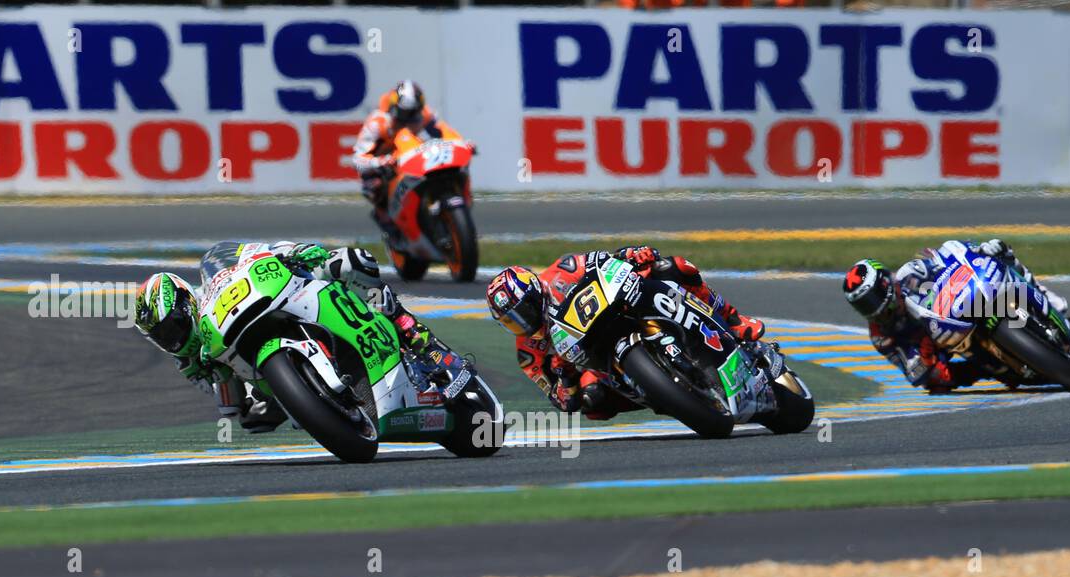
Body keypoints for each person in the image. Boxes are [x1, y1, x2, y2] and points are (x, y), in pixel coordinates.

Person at [134, 241, 446, 432]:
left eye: (173, 325)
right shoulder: (186, 361)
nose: (173, 338)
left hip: (277, 294)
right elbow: (228, 405)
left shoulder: (213, 279)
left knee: (353, 261)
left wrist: (292, 252)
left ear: (186, 300)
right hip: (260, 375)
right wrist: (223, 383)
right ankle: (317, 402)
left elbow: (256, 253)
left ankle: (407, 327)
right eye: (163, 336)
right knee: (251, 418)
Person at [486, 246, 765, 420]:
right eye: (512, 322)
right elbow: (563, 401)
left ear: (536, 294)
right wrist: (564, 376)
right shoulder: (527, 354)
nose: (523, 324)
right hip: (594, 362)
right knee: (591, 403)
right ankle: (666, 396)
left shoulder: (563, 270)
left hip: (618, 308)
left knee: (673, 267)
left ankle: (732, 318)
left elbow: (605, 260)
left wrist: (633, 254)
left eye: (524, 313)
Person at [842, 239, 1070, 392]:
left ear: (884, 284)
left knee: (1001, 253)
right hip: (943, 346)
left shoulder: (910, 274)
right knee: (938, 382)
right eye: (862, 305)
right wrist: (924, 360)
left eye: (870, 299)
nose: (870, 308)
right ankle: (997, 366)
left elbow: (943, 259)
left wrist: (976, 251)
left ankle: (1043, 295)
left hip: (962, 301)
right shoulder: (881, 336)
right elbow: (913, 371)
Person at [352, 80, 467, 243]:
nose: (409, 119)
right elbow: (357, 159)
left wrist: (461, 143)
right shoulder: (377, 123)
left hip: (416, 158)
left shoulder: (426, 114)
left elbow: (445, 133)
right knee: (374, 186)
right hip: (386, 166)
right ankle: (386, 221)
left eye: (414, 113)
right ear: (393, 108)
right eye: (404, 113)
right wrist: (381, 162)